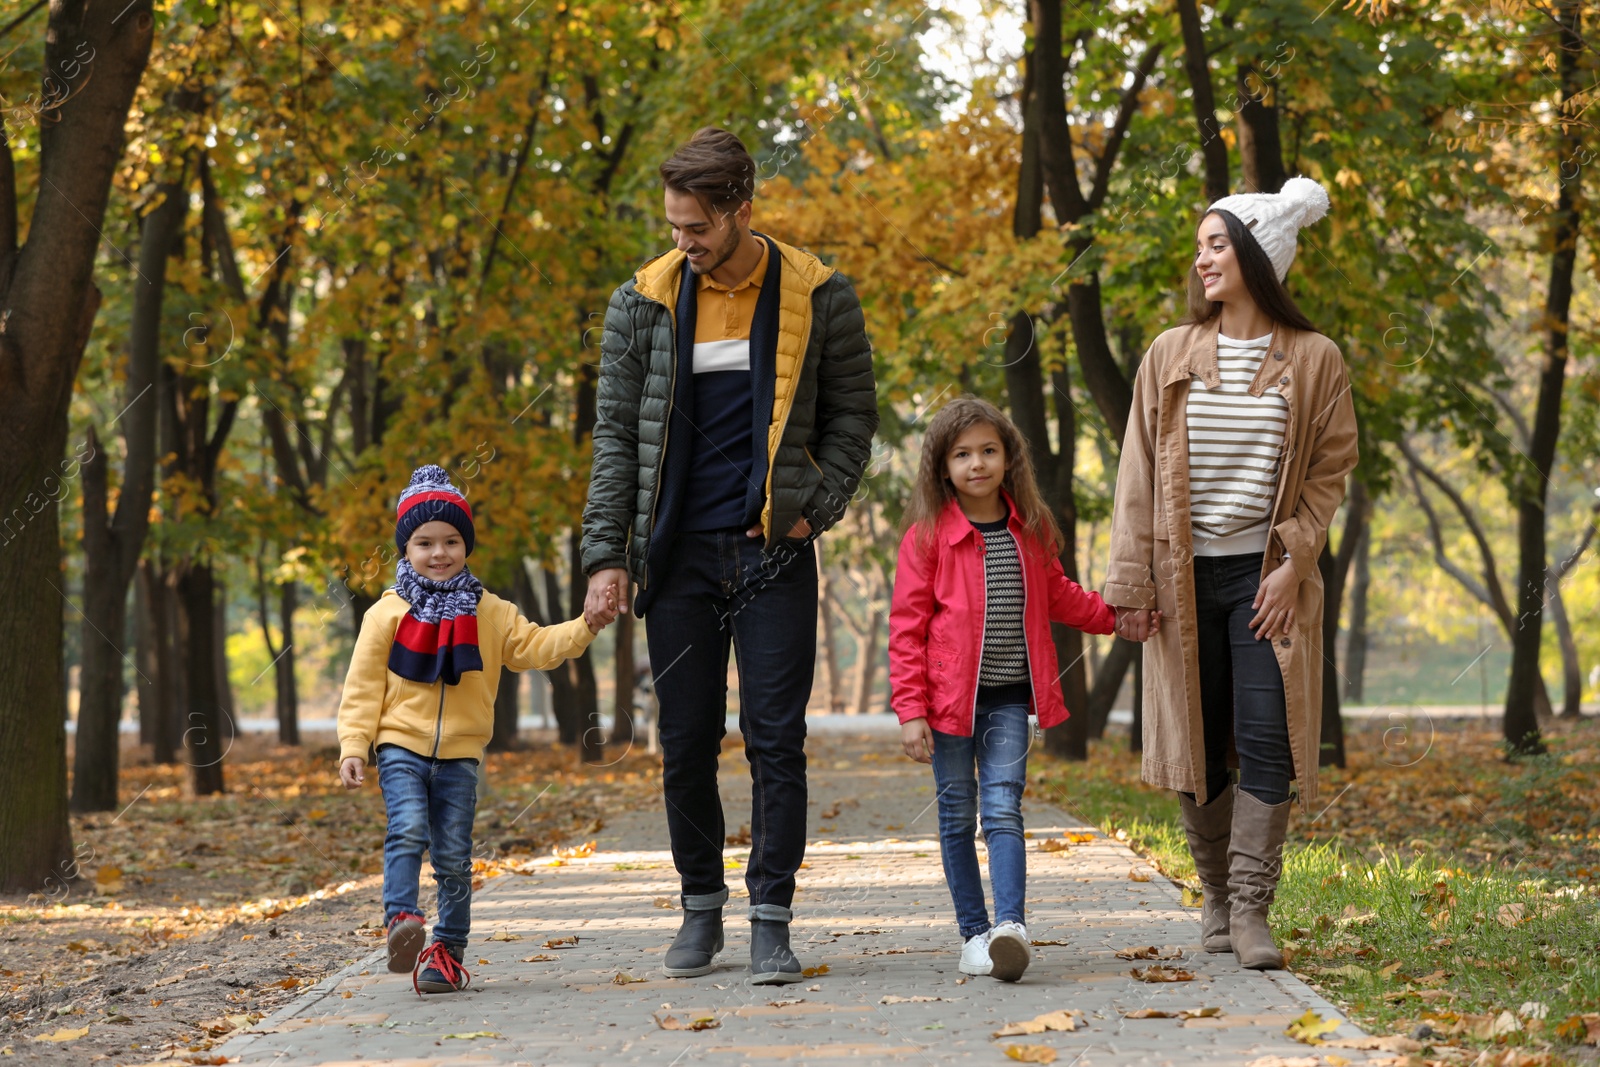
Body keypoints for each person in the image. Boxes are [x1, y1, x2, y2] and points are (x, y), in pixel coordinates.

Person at [579, 128, 877, 984]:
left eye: (697, 228)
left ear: (742, 211)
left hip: (772, 557)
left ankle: (771, 920)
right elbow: (616, 445)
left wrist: (810, 514)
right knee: (684, 740)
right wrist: (609, 555)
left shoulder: (819, 293)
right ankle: (699, 909)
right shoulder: (640, 303)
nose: (684, 243)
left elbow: (855, 418)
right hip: (675, 560)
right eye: (674, 227)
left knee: (777, 739)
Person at [1104, 177, 1358, 971]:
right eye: (1202, 245)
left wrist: (1294, 561)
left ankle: (1251, 910)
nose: (1201, 258)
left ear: (1257, 254)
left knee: (1268, 740)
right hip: (1183, 583)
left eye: (1217, 243)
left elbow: (1330, 471)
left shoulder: (1315, 359)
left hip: (1264, 583)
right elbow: (1137, 475)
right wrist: (1132, 587)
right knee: (1198, 743)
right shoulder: (1169, 353)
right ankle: (1213, 896)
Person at [337, 465, 612, 994]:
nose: (439, 553)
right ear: (406, 548)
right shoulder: (386, 614)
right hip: (400, 745)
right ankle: (401, 921)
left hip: (461, 754)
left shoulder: (490, 611)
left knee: (454, 858)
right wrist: (355, 744)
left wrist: (586, 626)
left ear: (466, 546)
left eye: (451, 541)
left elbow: (535, 647)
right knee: (409, 827)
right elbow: (362, 686)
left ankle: (446, 952)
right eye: (424, 542)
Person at [888, 397, 1116, 982]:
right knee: (957, 816)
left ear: (1008, 458)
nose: (977, 464)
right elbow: (907, 629)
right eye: (962, 454)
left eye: (989, 450)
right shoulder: (926, 539)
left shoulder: (1030, 529)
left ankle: (1010, 926)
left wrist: (1117, 617)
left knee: (1003, 807)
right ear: (943, 467)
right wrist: (911, 711)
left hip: (1013, 696)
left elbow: (1061, 596)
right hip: (949, 706)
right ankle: (974, 934)